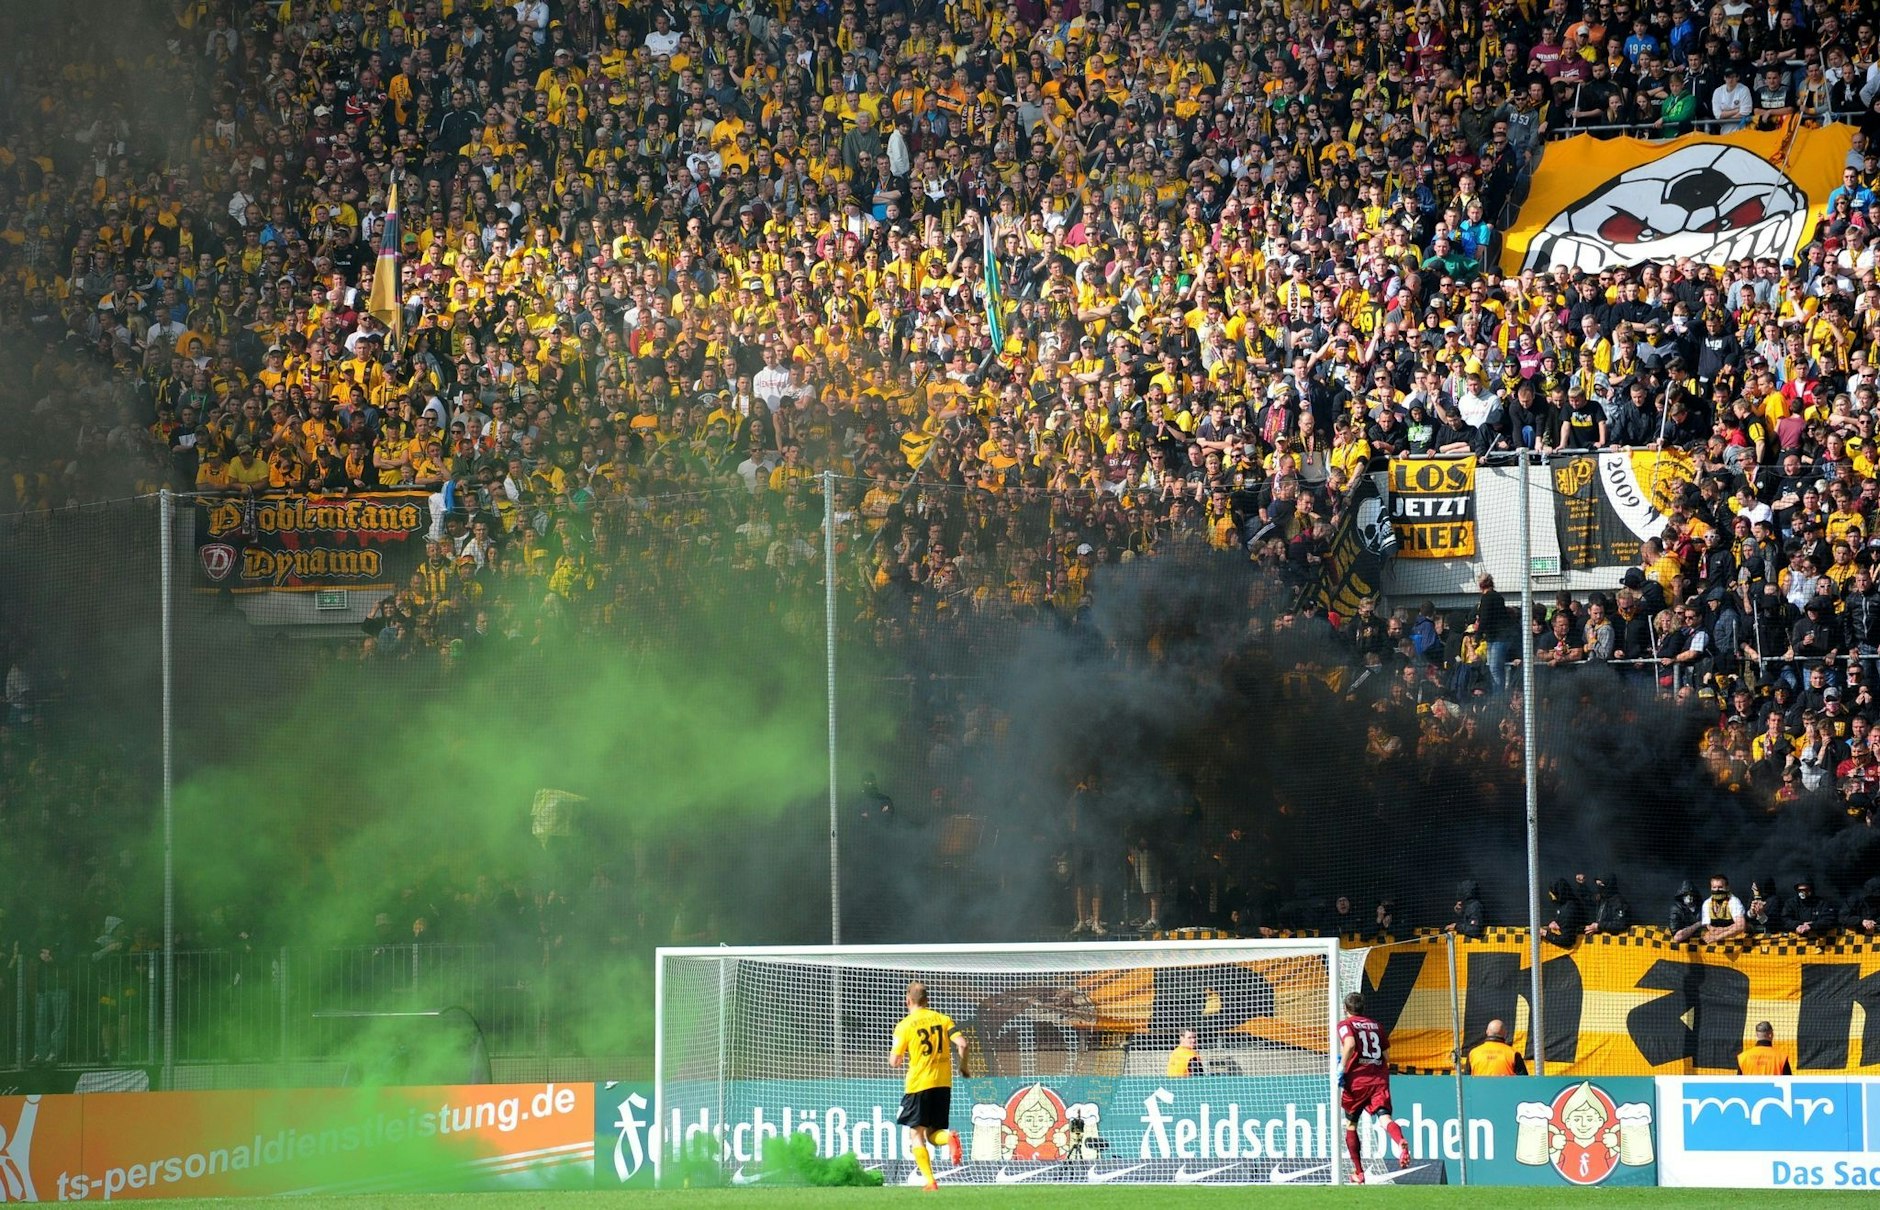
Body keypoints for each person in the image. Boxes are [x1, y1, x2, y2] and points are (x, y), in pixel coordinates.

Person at [888, 980, 970, 1191]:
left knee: (915, 1134)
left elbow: (895, 1062)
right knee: (933, 1134)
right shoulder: (943, 1019)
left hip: (919, 1085)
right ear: (928, 1000)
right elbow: (962, 1043)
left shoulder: (904, 1025)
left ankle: (930, 1182)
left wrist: (901, 1053)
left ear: (908, 1001)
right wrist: (963, 1067)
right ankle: (949, 1137)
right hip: (943, 1084)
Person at [1336, 992, 1410, 1184]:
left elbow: (1350, 1044)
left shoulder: (1346, 1025)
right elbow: (1386, 1057)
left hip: (1357, 1082)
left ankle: (1359, 1173)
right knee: (1385, 1118)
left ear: (1346, 1009)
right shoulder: (1377, 1026)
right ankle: (1399, 1141)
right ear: (1364, 1008)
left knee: (1351, 1125)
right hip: (1379, 1080)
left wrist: (1341, 1067)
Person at [1702, 875, 1747, 943]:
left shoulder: (1734, 901)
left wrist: (1718, 936)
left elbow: (1741, 926)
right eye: (1714, 887)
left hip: (1734, 940)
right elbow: (1708, 926)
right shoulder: (1707, 903)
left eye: (1720, 887)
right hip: (1713, 941)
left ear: (1727, 888)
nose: (1717, 890)